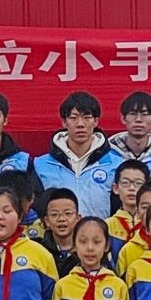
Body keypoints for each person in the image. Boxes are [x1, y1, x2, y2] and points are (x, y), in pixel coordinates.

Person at [33, 90, 121, 218]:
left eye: (87, 117)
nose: (80, 124)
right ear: (64, 122)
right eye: (73, 118)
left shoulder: (116, 164)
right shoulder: (41, 165)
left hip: (101, 231)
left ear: (96, 121)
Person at [38, 187, 82, 274]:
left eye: (68, 213)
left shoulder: (87, 249)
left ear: (78, 218)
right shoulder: (39, 250)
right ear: (47, 221)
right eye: (54, 214)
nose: (61, 219)